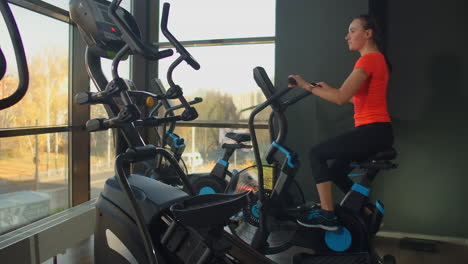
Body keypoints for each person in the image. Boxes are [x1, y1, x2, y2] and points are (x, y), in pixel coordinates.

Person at [288, 15, 394, 231]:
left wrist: (306, 86)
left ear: (368, 33)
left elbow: (340, 99)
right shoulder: (378, 59)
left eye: (352, 30)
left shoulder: (368, 60)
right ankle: (366, 211)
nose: (347, 36)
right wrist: (326, 89)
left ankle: (327, 215)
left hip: (373, 131)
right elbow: (356, 98)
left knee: (316, 153)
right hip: (377, 132)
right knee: (336, 171)